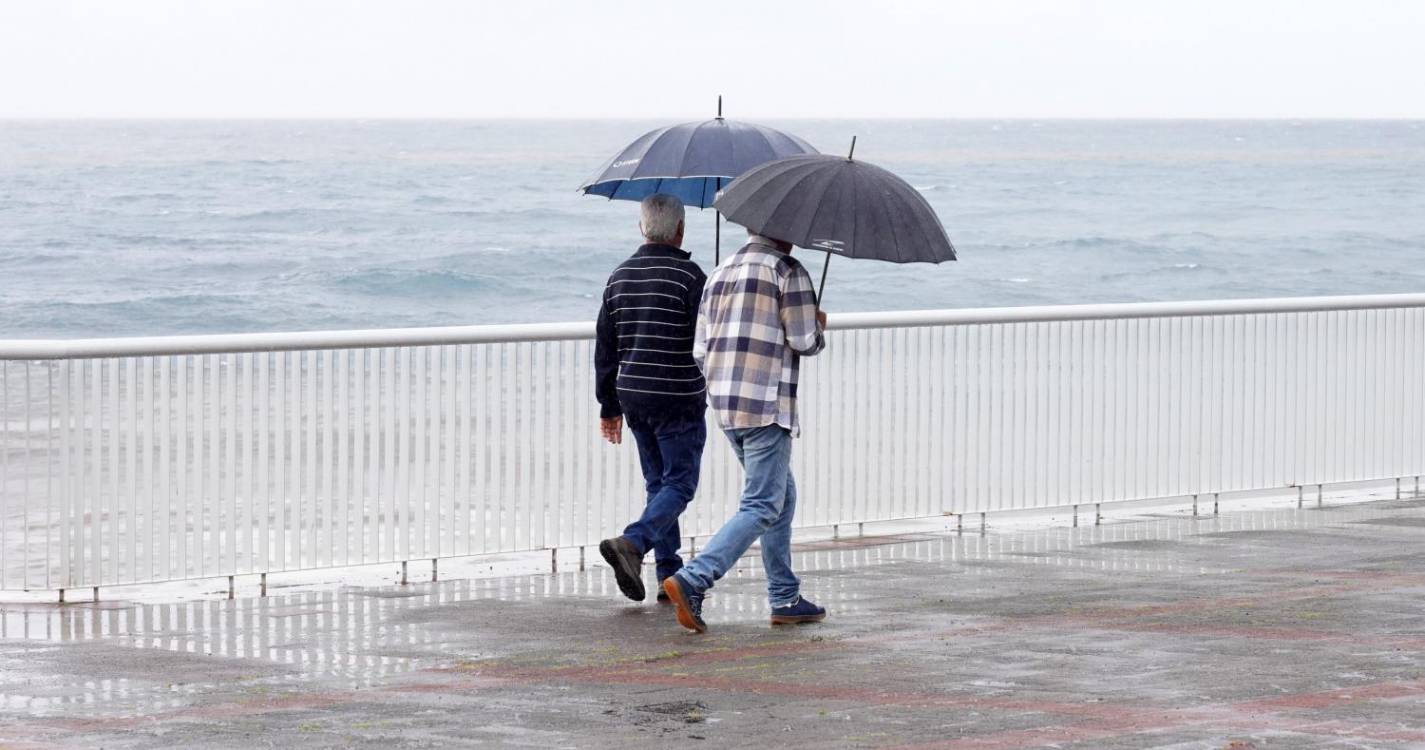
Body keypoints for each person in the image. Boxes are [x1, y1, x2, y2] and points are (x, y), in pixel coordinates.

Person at [661, 230, 828, 633]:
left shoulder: (720, 272)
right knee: (763, 504)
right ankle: (694, 578)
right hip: (766, 405)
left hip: (726, 405)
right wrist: (819, 324)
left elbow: (700, 349)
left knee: (782, 496)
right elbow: (804, 340)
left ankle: (785, 596)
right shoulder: (787, 270)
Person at [594, 193, 709, 603]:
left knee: (658, 483)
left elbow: (605, 347)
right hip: (678, 397)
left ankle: (668, 574)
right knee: (679, 484)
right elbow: (706, 342)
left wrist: (608, 406)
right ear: (680, 230)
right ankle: (634, 542)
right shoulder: (691, 278)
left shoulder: (619, 276)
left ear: (641, 227)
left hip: (634, 397)